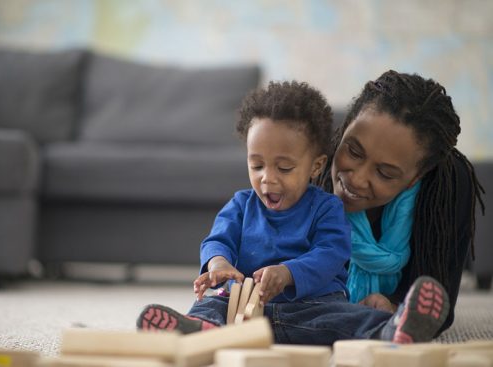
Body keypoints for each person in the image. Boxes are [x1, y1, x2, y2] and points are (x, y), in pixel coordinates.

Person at [138, 80, 352, 334]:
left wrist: (288, 273)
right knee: (209, 304)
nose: (267, 178)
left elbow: (331, 253)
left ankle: (387, 328)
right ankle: (198, 329)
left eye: (284, 168)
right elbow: (217, 241)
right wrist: (218, 265)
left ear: (316, 166)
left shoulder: (327, 207)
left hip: (309, 306)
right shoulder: (240, 204)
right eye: (257, 165)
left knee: (347, 318)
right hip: (242, 308)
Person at [316, 70, 484, 338]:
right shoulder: (314, 157)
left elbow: (440, 304)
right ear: (346, 126)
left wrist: (393, 305)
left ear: (415, 177)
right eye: (354, 151)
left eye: (384, 173)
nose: (357, 180)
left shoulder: (447, 185)